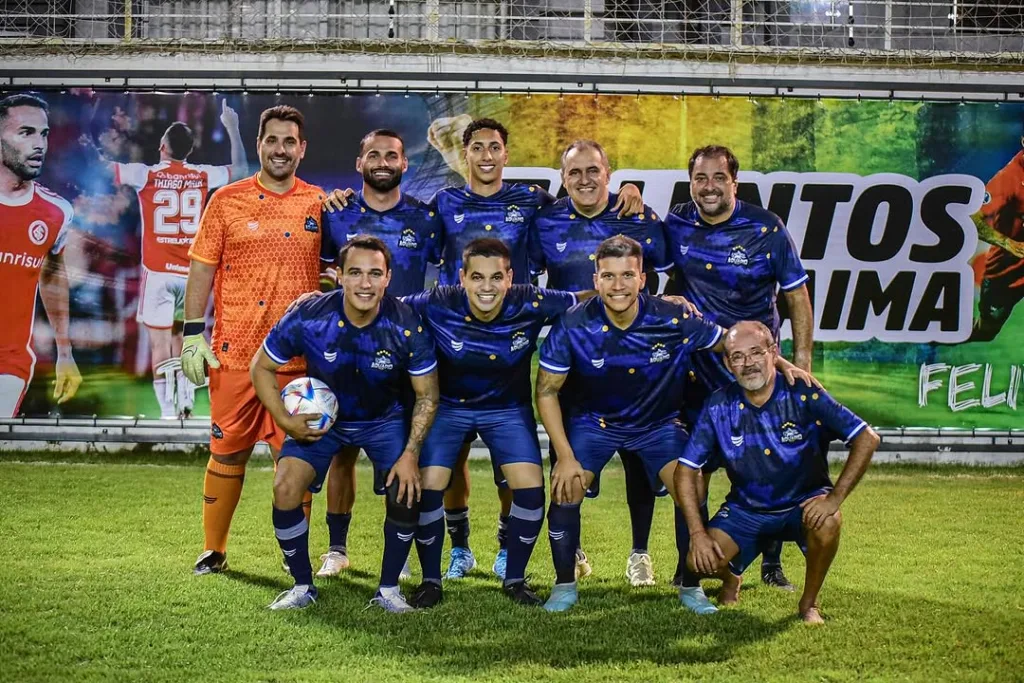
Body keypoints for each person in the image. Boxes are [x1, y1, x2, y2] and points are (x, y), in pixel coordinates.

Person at [535, 235, 814, 613]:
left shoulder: (673, 316)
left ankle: (690, 585)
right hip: (594, 423)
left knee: (691, 489)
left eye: (627, 276)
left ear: (643, 278)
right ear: (596, 279)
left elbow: (728, 343)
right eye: (609, 276)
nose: (618, 286)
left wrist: (780, 363)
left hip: (658, 425)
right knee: (566, 488)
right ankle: (564, 585)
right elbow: (547, 392)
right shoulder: (571, 324)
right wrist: (565, 456)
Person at [427, 118, 646, 581]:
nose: (487, 156)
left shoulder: (532, 201)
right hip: (452, 340)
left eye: (495, 148)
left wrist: (627, 189)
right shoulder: (443, 203)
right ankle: (459, 547)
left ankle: (507, 546)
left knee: (512, 460)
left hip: (511, 339)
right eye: (478, 148)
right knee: (453, 458)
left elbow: (583, 204)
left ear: (507, 154)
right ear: (464, 156)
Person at [251, 236, 439, 611]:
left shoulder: (406, 324)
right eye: (355, 273)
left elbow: (427, 395)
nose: (365, 283)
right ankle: (302, 587)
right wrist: (286, 422)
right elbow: (262, 367)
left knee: (405, 488)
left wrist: (409, 454)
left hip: (384, 419)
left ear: (388, 278)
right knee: (286, 486)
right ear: (338, 276)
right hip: (327, 420)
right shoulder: (310, 315)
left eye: (374, 274)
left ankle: (388, 591)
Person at [181, 105, 326, 576]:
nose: (280, 149)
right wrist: (191, 333)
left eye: (290, 142)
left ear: (302, 150)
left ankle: (294, 554)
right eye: (272, 140)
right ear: (259, 144)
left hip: (297, 363)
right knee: (227, 452)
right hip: (235, 355)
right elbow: (202, 266)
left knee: (295, 461)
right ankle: (213, 549)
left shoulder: (320, 204)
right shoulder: (226, 201)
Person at [664, 144, 814, 595]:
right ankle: (687, 566)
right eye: (700, 179)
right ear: (691, 182)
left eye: (717, 179)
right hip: (700, 370)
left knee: (768, 466)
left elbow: (797, 297)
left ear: (735, 182)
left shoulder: (766, 228)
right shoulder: (676, 223)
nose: (708, 188)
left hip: (757, 371)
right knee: (692, 470)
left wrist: (802, 363)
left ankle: (770, 563)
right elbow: (639, 259)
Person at [402, 237, 584, 607]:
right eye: (478, 278)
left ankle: (515, 580)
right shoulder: (437, 301)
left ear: (510, 277)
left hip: (507, 409)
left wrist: (662, 301)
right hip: (449, 407)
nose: (487, 287)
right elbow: (387, 307)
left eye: (496, 278)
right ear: (462, 278)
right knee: (430, 486)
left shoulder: (531, 301)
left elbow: (586, 297)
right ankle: (431, 581)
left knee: (531, 490)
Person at [529, 139, 673, 587]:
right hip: (572, 358)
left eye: (594, 170)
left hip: (633, 360)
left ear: (610, 173)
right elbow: (532, 282)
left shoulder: (639, 216)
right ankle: (571, 553)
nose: (585, 179)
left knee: (637, 461)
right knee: (566, 459)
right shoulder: (546, 220)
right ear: (563, 178)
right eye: (575, 173)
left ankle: (640, 554)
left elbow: (668, 270)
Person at [676, 321, 879, 623]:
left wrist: (834, 498)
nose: (748, 363)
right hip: (747, 510)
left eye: (756, 352)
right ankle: (731, 576)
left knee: (829, 521)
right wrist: (697, 534)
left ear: (773, 353)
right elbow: (684, 471)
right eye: (738, 356)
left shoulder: (803, 393)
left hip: (803, 505)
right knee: (699, 560)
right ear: (727, 363)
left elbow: (866, 437)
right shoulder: (719, 404)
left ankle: (808, 604)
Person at [314, 128, 443, 578]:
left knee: (409, 452)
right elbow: (320, 273)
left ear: (405, 165)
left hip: (406, 353)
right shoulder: (336, 214)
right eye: (374, 154)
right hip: (345, 350)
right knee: (342, 453)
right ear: (360, 163)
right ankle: (336, 548)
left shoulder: (426, 219)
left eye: (392, 155)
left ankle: (403, 552)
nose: (383, 161)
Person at [105, 100, 247, 418]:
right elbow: (240, 170)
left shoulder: (146, 175)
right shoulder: (201, 175)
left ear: (162, 147)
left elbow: (105, 169)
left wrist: (109, 130)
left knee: (160, 346)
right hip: (193, 274)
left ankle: (169, 415)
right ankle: (185, 402)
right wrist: (233, 128)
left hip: (157, 274)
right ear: (189, 151)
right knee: (189, 340)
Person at [0, 93, 81, 418]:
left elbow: (50, 276)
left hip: (10, 361)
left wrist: (64, 351)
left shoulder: (56, 212)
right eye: (26, 133)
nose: (40, 145)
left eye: (44, 134)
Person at [969, 135, 1024, 342]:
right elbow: (975, 221)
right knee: (987, 333)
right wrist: (1010, 244)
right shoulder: (1008, 179)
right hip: (1005, 272)